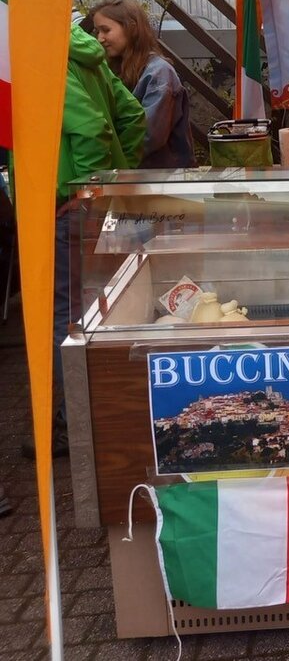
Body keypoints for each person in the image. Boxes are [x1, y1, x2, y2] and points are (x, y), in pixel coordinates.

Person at [22, 25, 146, 460]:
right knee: (104, 303)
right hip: (93, 203)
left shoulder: (40, 52)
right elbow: (132, 117)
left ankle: (75, 423)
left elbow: (94, 127)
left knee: (68, 314)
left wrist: (88, 191)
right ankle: (114, 410)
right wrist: (117, 176)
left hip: (66, 206)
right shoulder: (84, 54)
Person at [91, 0, 195, 169]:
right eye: (97, 32)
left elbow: (148, 136)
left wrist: (107, 159)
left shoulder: (159, 74)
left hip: (163, 181)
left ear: (131, 28)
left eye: (106, 30)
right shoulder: (113, 70)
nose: (100, 38)